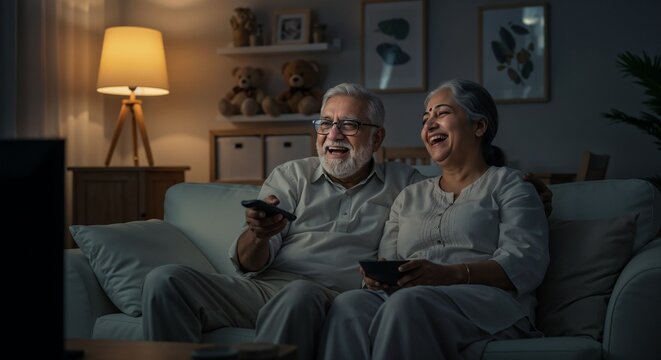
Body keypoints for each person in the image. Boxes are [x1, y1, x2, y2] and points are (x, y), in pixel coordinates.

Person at [141, 83, 551, 360]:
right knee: (165, 280)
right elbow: (249, 264)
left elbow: (467, 185)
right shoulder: (293, 176)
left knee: (305, 296)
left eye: (348, 124)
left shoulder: (404, 183)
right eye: (325, 123)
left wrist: (534, 189)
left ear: (376, 138)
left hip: (318, 294)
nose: (332, 133)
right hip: (264, 287)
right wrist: (257, 232)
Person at [318, 80, 550, 360]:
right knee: (349, 305)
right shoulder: (408, 195)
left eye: (441, 113)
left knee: (407, 303)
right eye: (425, 118)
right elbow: (389, 262)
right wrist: (378, 278)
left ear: (479, 127)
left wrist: (448, 274)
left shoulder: (512, 185)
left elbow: (525, 265)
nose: (430, 124)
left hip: (489, 303)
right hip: (412, 299)